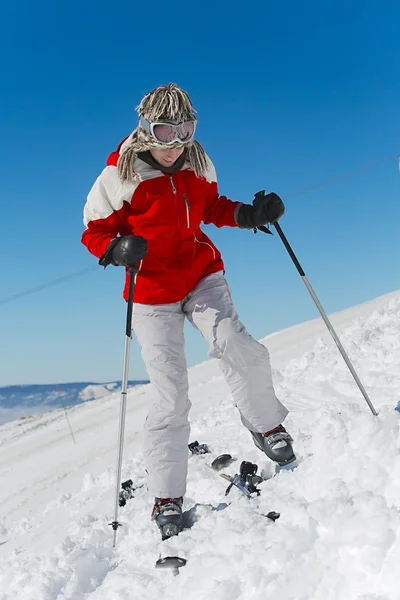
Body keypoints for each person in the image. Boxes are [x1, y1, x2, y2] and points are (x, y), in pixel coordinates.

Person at [81, 83, 296, 540]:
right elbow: (94, 231)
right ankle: (166, 493)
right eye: (164, 131)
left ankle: (267, 426)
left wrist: (247, 215)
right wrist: (116, 247)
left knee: (237, 343)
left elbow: (210, 205)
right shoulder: (118, 176)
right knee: (170, 392)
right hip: (150, 293)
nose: (174, 142)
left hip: (200, 274)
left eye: (185, 129)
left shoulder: (198, 162)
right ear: (145, 130)